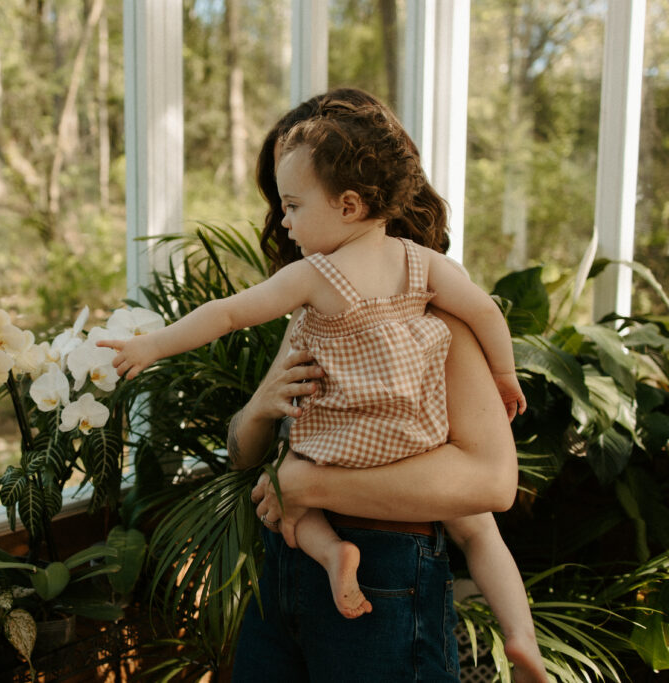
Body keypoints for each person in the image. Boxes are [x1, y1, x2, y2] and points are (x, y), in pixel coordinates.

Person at [104, 90, 546, 681]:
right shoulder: (377, 290)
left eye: (292, 204)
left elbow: (491, 485)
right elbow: (246, 457)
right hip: (289, 567)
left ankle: (516, 637)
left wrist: (308, 480)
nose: (283, 223)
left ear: (348, 203)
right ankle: (522, 637)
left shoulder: (413, 311)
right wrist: (260, 408)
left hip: (384, 567)